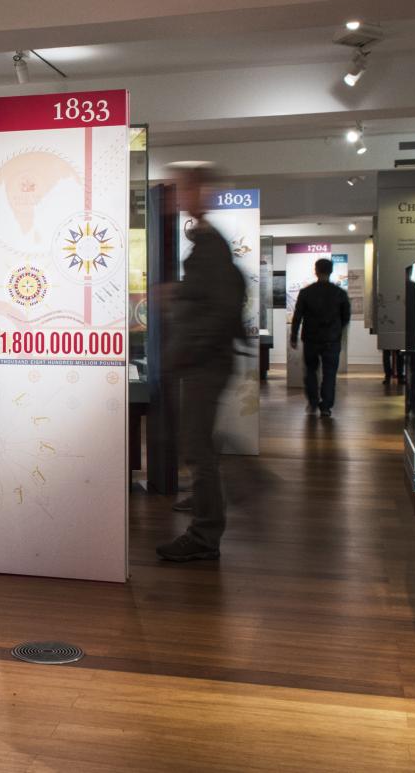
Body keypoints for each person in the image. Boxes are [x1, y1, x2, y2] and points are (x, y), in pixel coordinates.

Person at [156, 170, 246, 564]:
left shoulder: (211, 246)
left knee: (197, 446)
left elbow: (222, 308)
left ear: (202, 192)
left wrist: (189, 352)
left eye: (184, 188)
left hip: (203, 364)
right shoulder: (206, 244)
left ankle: (205, 534)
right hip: (201, 361)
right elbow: (212, 299)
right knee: (197, 444)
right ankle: (205, 514)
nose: (177, 197)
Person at [291, 258, 351, 418]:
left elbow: (297, 316)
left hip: (311, 339)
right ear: (331, 271)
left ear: (316, 270)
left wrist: (293, 336)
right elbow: (346, 317)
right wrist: (337, 331)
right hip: (332, 339)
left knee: (310, 371)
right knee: (330, 373)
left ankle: (312, 402)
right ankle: (326, 406)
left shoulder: (306, 293)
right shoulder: (340, 293)